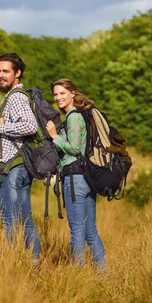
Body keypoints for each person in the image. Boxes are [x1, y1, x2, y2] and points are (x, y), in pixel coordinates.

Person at [46, 78, 107, 271]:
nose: (58, 97)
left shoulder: (73, 117)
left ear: (73, 93)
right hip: (87, 179)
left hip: (74, 179)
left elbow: (73, 148)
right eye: (56, 94)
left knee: (77, 232)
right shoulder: (82, 116)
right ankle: (102, 273)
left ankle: (78, 276)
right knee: (90, 231)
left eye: (62, 93)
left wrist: (55, 136)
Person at [0, 53, 40, 262]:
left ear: (17, 73)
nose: (1, 75)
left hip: (13, 169)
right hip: (17, 168)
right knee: (24, 219)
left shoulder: (17, 97)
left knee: (11, 220)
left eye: (6, 71)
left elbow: (30, 125)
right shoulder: (13, 96)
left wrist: (1, 127)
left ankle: (18, 262)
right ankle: (33, 262)